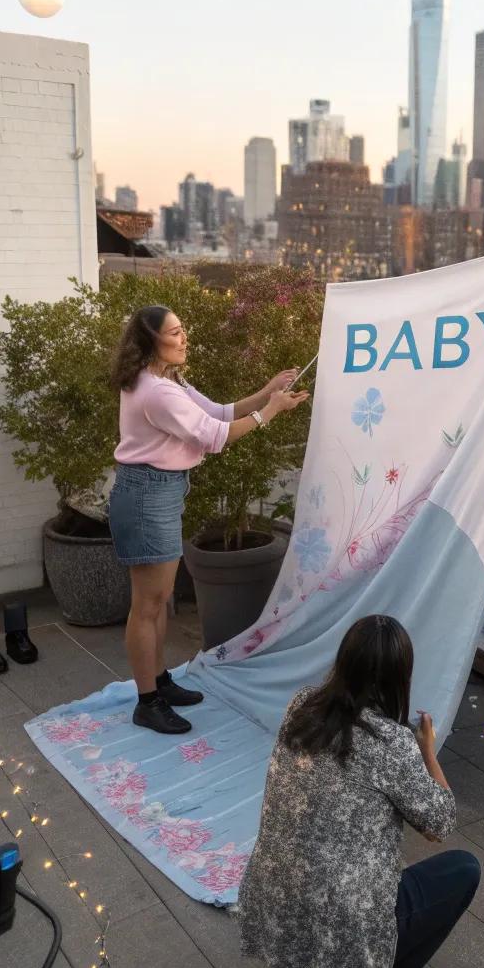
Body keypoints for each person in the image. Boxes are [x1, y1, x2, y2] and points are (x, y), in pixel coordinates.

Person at [238, 614, 481, 968]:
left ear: (343, 662)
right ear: (399, 677)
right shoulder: (392, 742)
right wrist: (427, 750)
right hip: (342, 917)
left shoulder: (301, 707)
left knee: (327, 874)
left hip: (275, 897)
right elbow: (441, 823)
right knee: (463, 869)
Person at [108, 305, 308, 734]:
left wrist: (267, 391)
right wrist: (270, 411)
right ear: (150, 340)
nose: (184, 339)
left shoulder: (167, 380)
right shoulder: (156, 391)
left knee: (159, 599)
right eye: (175, 332)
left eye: (183, 330)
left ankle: (159, 682)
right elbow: (215, 437)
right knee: (148, 604)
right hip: (146, 494)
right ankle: (147, 702)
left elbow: (217, 412)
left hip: (158, 491)